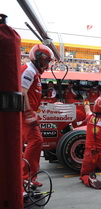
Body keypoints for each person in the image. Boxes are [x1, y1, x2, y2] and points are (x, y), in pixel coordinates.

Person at [21, 44, 54, 187]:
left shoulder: (33, 72)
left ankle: (23, 177)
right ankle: (26, 177)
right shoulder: (29, 71)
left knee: (21, 145)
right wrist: (29, 113)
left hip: (23, 113)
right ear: (39, 59)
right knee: (36, 141)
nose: (47, 66)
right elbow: (22, 93)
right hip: (23, 114)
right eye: (46, 62)